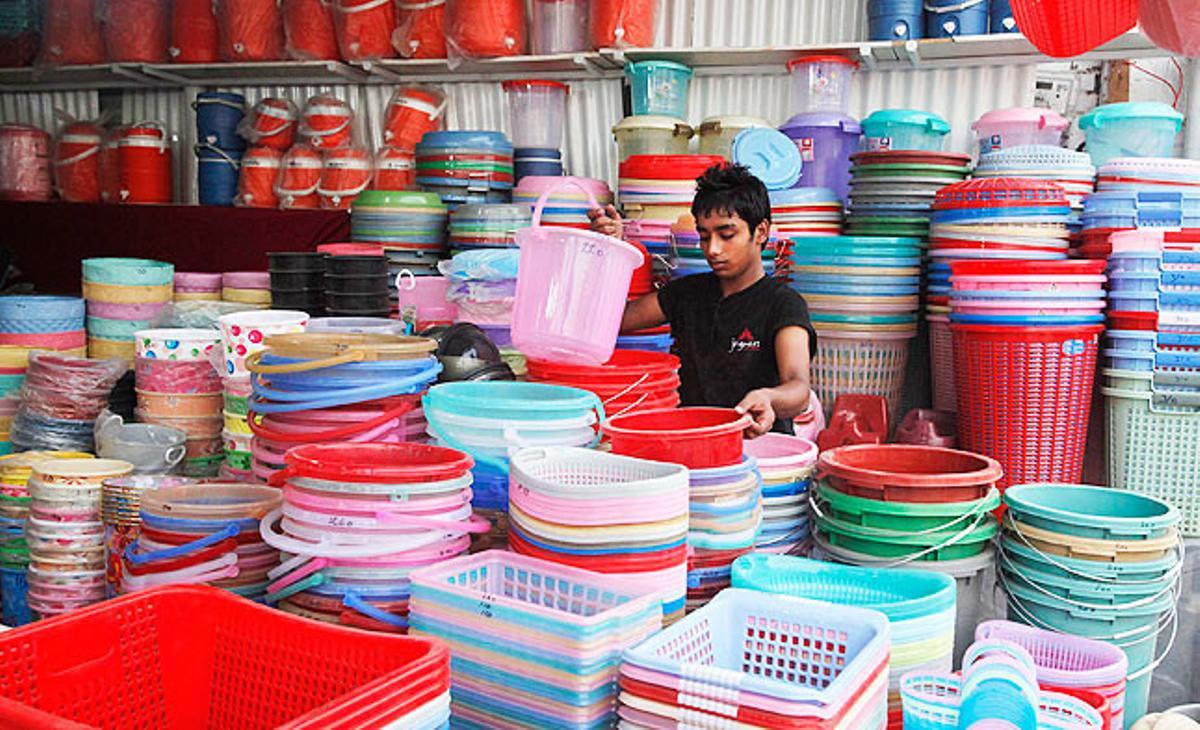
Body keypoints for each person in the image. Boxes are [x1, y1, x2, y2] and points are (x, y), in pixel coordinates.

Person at [588, 163, 817, 437]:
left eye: (727, 235)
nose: (713, 249)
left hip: (760, 452)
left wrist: (769, 398)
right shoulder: (687, 293)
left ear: (762, 232)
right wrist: (610, 250)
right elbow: (613, 319)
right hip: (692, 444)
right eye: (704, 236)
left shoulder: (783, 304)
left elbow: (798, 387)